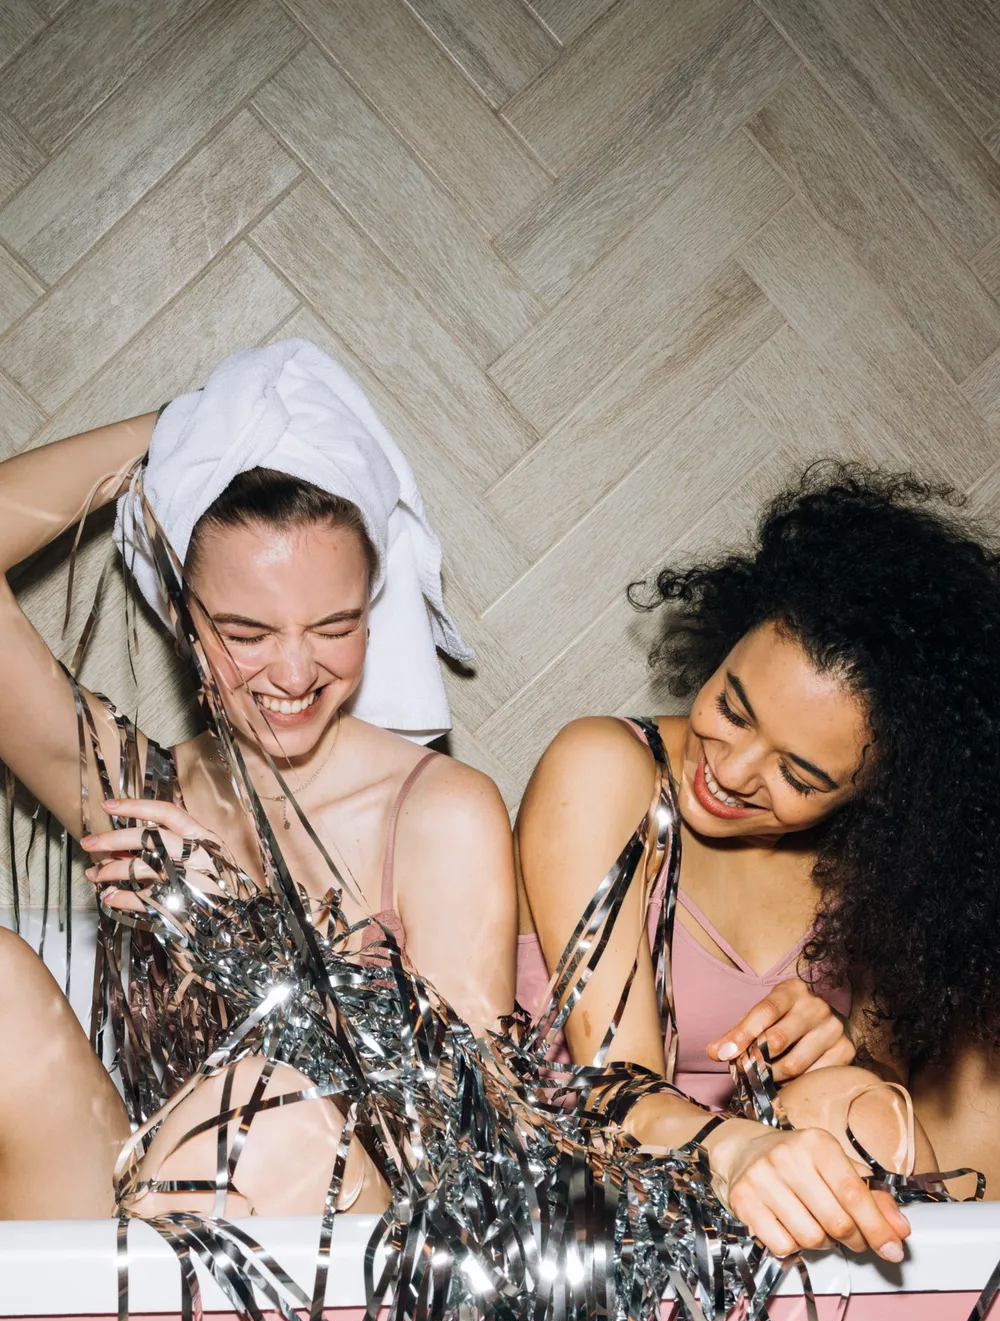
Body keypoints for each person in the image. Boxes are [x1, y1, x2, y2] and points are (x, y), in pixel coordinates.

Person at [0, 339, 515, 1219]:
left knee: (261, 1113)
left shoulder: (441, 813)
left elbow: (471, 1146)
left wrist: (240, 929)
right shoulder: (141, 791)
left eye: (335, 627)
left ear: (371, 609)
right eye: (246, 633)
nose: (295, 673)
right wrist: (180, 431)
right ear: (182, 617)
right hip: (142, 1222)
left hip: (361, 1250)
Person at [517, 465, 1000, 1262]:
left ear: (881, 790)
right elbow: (611, 1092)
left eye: (799, 776)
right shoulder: (605, 767)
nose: (733, 771)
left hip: (762, 1228)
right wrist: (740, 1147)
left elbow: (881, 1105)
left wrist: (837, 1049)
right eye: (732, 708)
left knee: (855, 1103)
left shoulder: (883, 870)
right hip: (573, 1201)